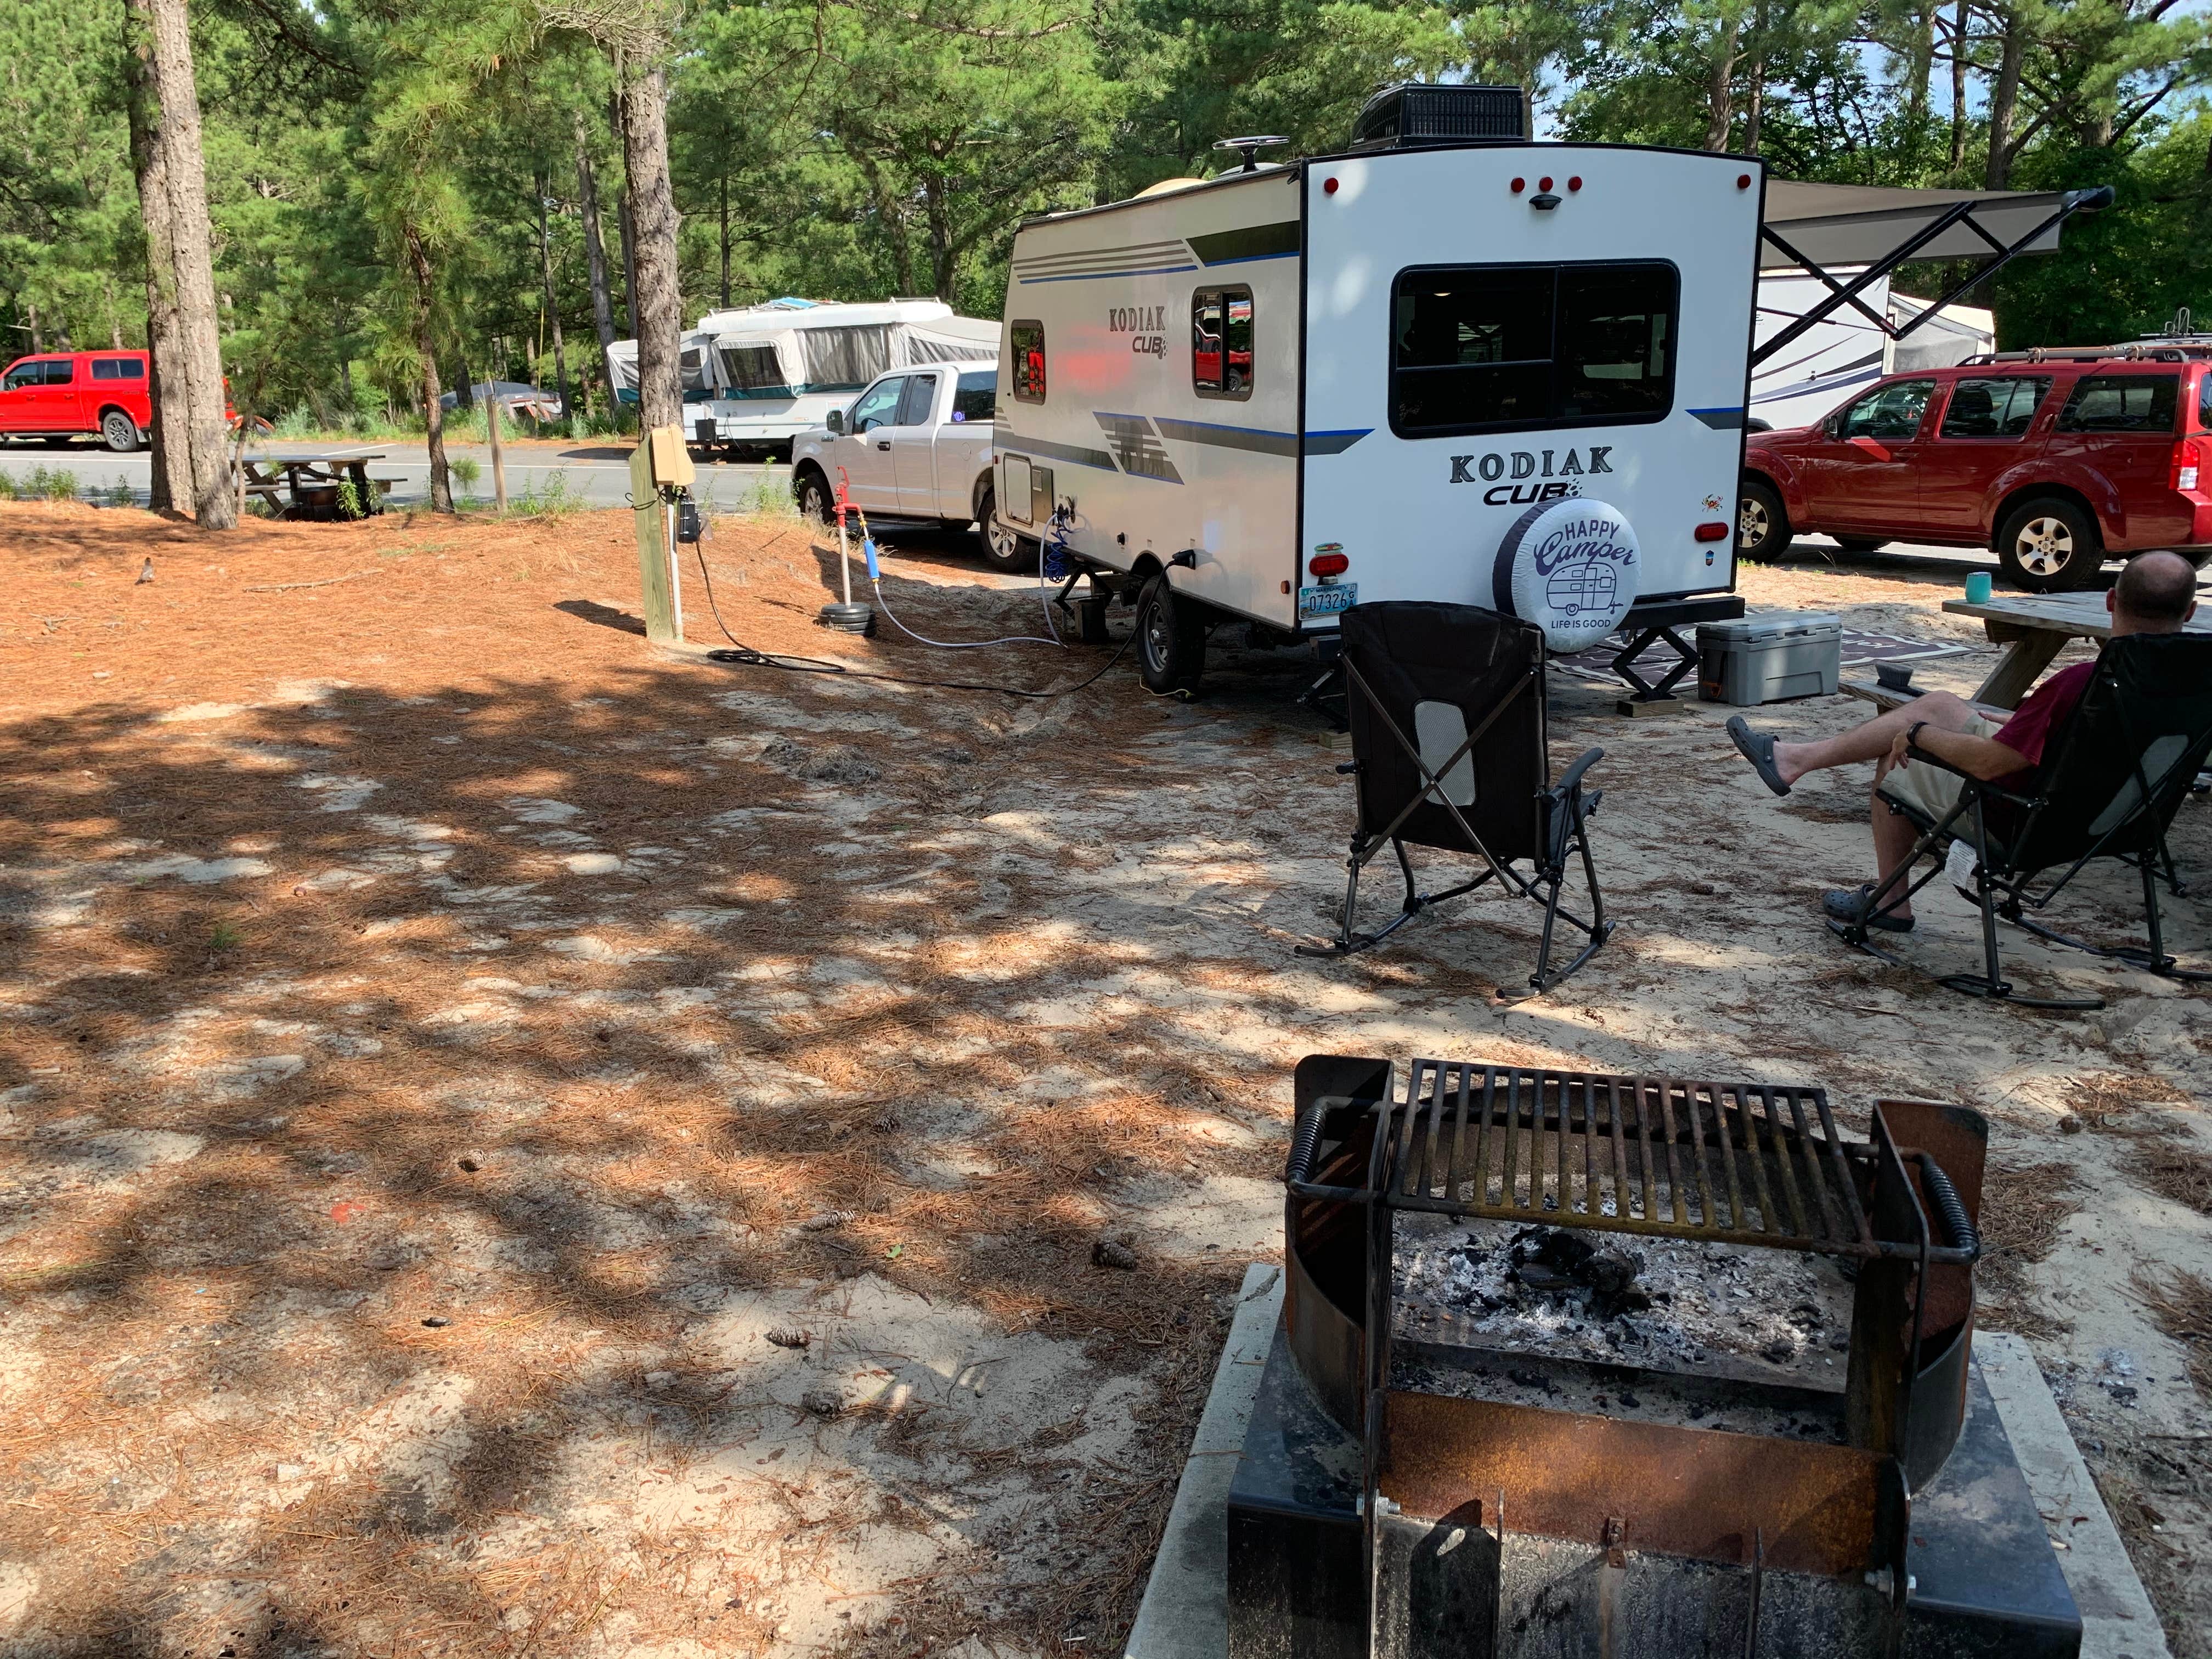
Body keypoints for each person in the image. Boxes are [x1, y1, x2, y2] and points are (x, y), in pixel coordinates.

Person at [1725, 551, 2200, 931]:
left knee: (1901, 756)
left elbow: (1996, 764)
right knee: (1945, 703)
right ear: (2191, 612)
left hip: (2020, 818)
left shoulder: (2086, 682)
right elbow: (2082, 739)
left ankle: (1891, 904)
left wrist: (1915, 736)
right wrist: (2005, 719)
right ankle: (1794, 760)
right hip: (2115, 822)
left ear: (2111, 601)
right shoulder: (2194, 690)